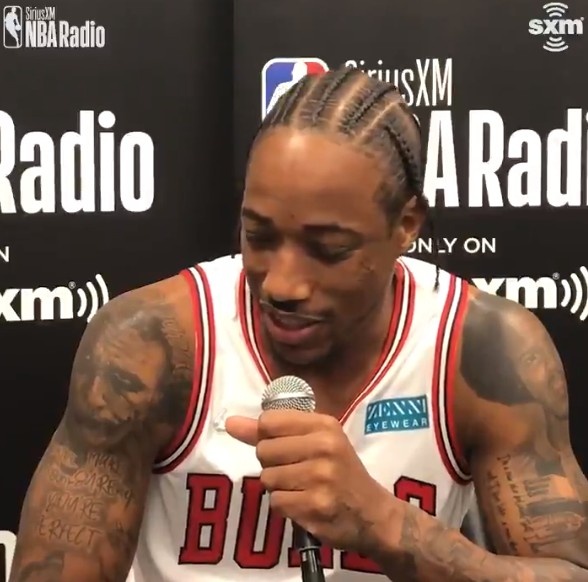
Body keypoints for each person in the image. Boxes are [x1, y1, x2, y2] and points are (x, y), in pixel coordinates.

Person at [8, 65, 588, 582]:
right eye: (259, 236)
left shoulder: (480, 349)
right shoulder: (151, 343)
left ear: (406, 225)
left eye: (328, 249)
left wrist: (384, 524)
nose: (282, 284)